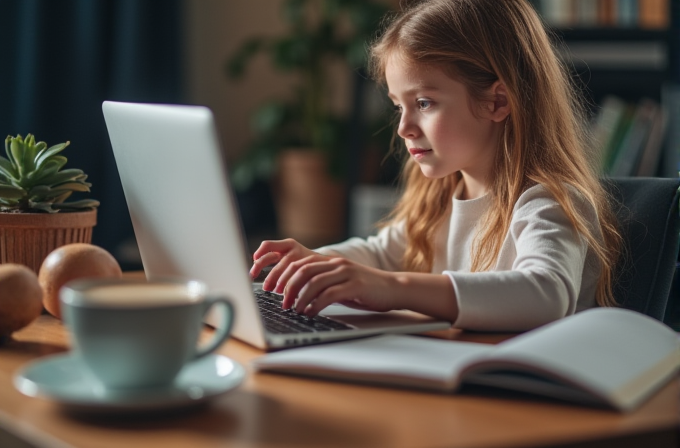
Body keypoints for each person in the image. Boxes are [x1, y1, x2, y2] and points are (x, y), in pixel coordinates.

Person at [249, 0, 622, 332]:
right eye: (399, 106)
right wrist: (315, 264)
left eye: (424, 103)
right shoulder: (440, 198)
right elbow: (379, 254)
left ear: (497, 102)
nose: (403, 128)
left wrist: (392, 288)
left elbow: (545, 294)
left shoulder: (550, 201)